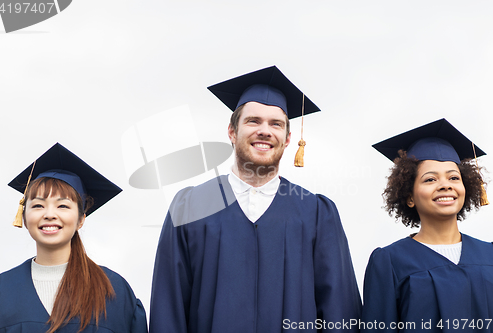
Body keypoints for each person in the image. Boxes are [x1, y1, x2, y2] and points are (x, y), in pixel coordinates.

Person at [150, 66, 361, 333]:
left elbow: (339, 312)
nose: (265, 131)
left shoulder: (316, 213)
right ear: (231, 132)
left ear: (287, 140)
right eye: (253, 121)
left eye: (276, 124)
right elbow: (169, 308)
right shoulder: (191, 207)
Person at [0, 143, 148, 333]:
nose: (49, 214)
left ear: (81, 219)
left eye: (63, 206)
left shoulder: (114, 290)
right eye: (38, 206)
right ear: (24, 217)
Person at [362, 118, 492, 332]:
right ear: (409, 196)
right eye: (430, 179)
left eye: (453, 177)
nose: (445, 186)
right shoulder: (390, 263)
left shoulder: (489, 255)